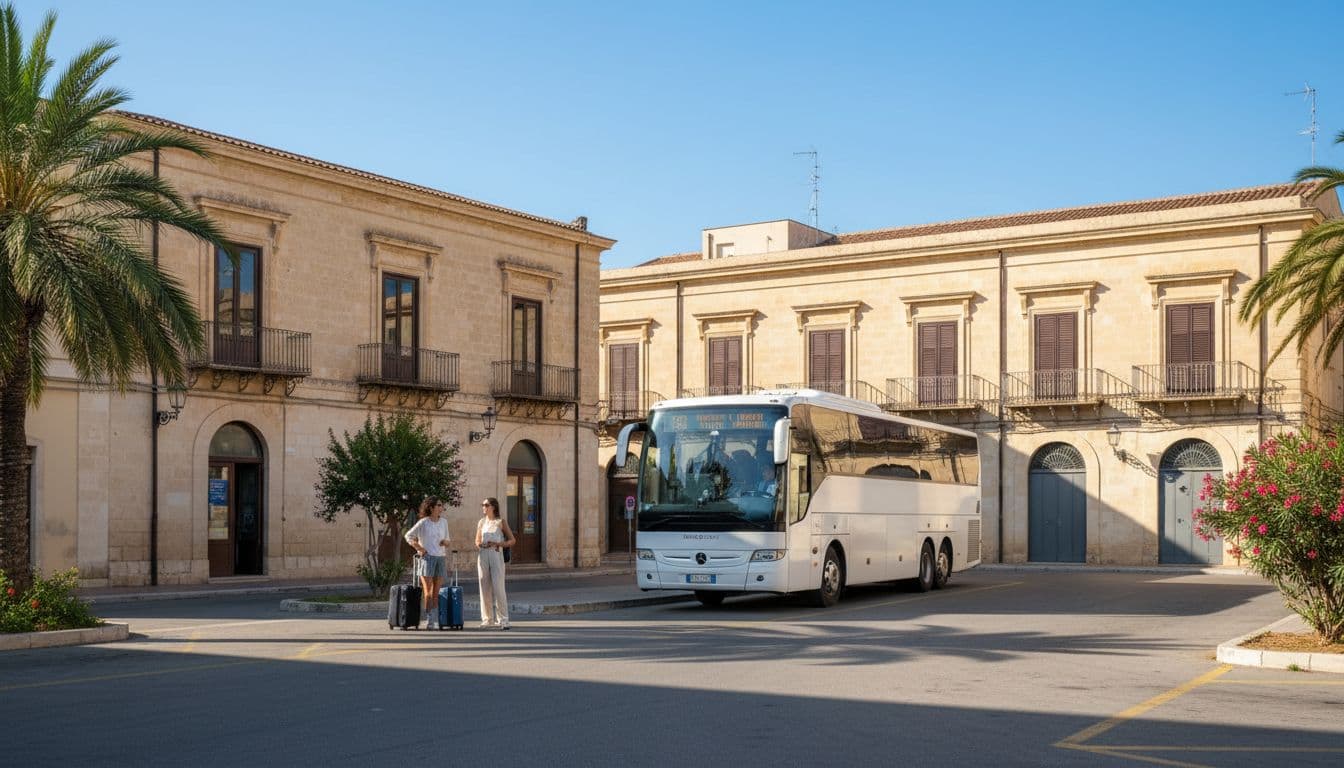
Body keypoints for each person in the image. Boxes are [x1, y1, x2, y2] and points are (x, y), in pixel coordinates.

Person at [404, 496, 450, 629]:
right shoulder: (423, 522)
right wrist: (419, 548)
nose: (441, 508)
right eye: (439, 505)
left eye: (441, 505)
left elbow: (448, 540)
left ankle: (435, 619)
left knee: (436, 591)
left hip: (440, 558)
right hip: (427, 558)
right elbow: (408, 535)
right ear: (431, 507)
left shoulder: (444, 522)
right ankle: (430, 619)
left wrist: (445, 542)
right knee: (428, 591)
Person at [475, 497, 516, 629]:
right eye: (483, 505)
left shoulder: (500, 522)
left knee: (498, 587)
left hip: (496, 554)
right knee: (484, 587)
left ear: (493, 507)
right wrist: (481, 544)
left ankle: (503, 619)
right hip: (483, 554)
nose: (484, 507)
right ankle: (487, 619)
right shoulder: (481, 522)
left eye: (486, 505)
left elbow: (512, 540)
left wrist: (498, 543)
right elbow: (477, 540)